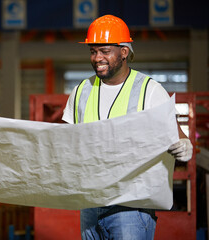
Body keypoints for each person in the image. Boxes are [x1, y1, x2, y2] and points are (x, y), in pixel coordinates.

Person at [62, 15, 193, 240]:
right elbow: (64, 140)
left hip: (131, 207)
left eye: (104, 51)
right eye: (93, 51)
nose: (97, 58)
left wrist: (184, 144)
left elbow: (176, 134)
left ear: (124, 51)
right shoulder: (80, 91)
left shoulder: (149, 90)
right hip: (91, 203)